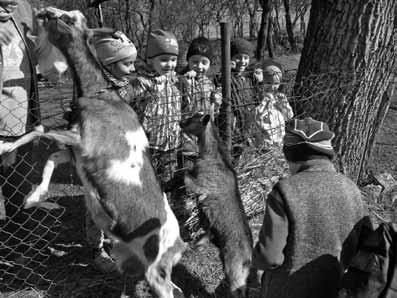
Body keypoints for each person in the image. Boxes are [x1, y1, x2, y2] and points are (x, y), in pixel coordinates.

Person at [252, 117, 369, 298]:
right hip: (335, 289)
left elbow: (270, 257)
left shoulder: (285, 190)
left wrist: (256, 258)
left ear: (292, 155)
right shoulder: (352, 189)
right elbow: (366, 248)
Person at [0, 0, 67, 220]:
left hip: (22, 125)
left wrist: (54, 27)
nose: (12, 3)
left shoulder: (23, 10)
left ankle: (19, 247)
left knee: (18, 193)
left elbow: (49, 64)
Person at [82, 30, 138, 272]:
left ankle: (118, 242)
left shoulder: (128, 87)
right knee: (98, 204)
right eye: (127, 64)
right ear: (108, 65)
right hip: (99, 157)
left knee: (118, 204)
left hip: (123, 155)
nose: (133, 69)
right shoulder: (96, 91)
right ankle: (96, 248)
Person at [130, 29, 188, 191]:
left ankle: (164, 204)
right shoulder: (141, 82)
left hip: (171, 143)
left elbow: (184, 104)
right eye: (164, 60)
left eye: (173, 60)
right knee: (146, 182)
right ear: (150, 60)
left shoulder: (176, 80)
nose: (170, 64)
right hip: (149, 145)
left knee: (166, 180)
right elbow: (123, 101)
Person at [217, 37, 261, 165]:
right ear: (230, 59)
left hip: (247, 124)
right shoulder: (227, 77)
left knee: (246, 154)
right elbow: (217, 82)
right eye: (238, 57)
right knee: (231, 154)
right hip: (232, 125)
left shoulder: (248, 79)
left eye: (246, 58)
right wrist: (226, 70)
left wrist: (259, 82)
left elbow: (258, 100)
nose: (242, 61)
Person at [180, 36, 221, 169]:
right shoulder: (181, 80)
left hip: (205, 134)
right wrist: (186, 82)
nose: (199, 66)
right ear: (188, 61)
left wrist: (216, 102)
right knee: (189, 166)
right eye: (195, 62)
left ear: (210, 64)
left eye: (204, 62)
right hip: (188, 135)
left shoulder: (209, 83)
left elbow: (213, 110)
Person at [253, 60, 294, 150]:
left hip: (280, 138)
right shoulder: (257, 97)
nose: (272, 87)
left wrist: (284, 104)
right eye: (268, 83)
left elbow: (288, 117)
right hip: (265, 141)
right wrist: (264, 102)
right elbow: (255, 118)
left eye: (276, 83)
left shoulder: (279, 98)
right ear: (261, 82)